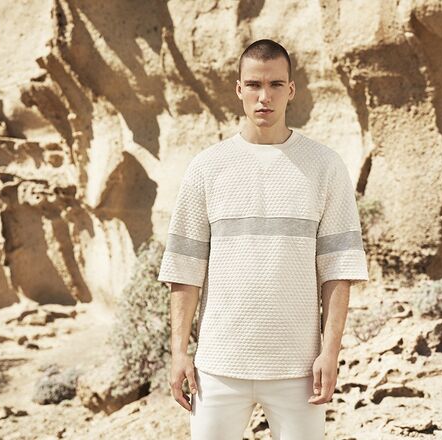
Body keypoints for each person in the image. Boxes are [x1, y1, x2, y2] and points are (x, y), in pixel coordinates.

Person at [157, 38, 369, 440]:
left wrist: (330, 351)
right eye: (254, 85)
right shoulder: (206, 167)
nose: (264, 97)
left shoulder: (325, 166)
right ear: (239, 89)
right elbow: (185, 268)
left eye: (275, 85)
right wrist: (179, 352)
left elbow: (338, 269)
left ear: (291, 89)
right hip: (218, 366)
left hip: (299, 369)